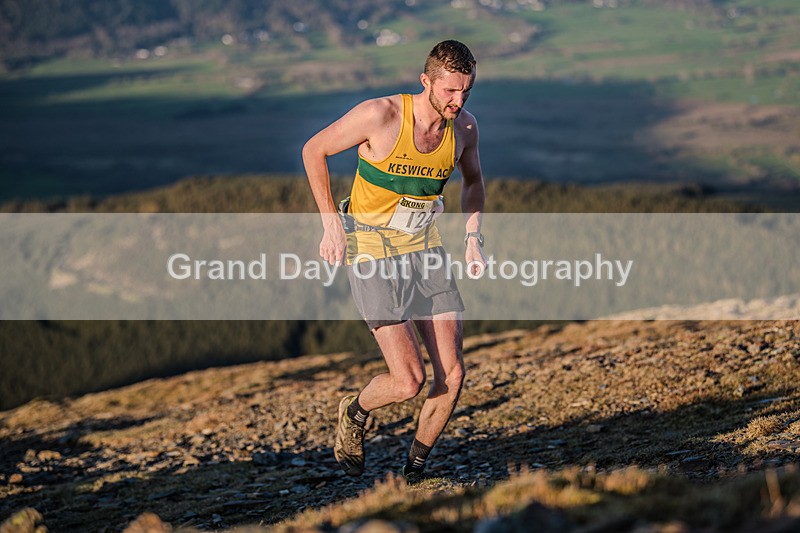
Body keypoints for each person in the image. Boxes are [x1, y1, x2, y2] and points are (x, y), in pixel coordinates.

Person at [302, 40, 487, 482]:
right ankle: (356, 409)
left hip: (425, 250)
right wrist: (330, 224)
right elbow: (313, 150)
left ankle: (414, 473)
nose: (458, 101)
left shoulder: (464, 128)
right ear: (426, 81)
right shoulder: (380, 115)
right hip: (372, 252)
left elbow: (474, 181)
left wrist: (473, 237)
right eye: (450, 91)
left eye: (466, 90)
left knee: (453, 375)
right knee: (408, 381)